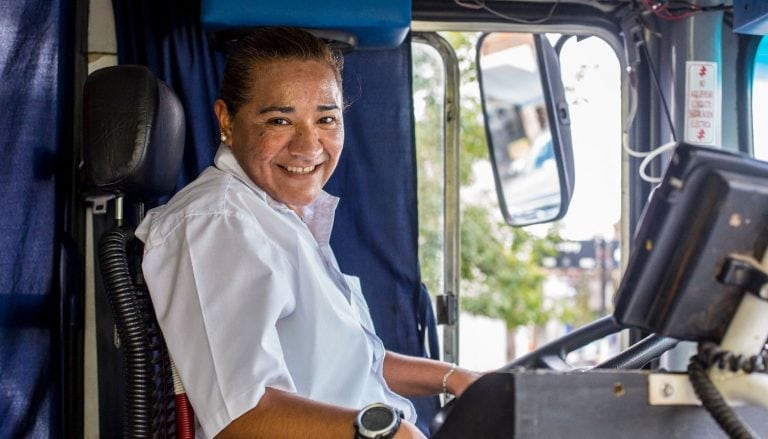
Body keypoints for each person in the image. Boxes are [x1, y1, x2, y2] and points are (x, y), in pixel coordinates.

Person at [135, 27, 480, 439]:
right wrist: (394, 433)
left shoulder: (279, 215)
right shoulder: (216, 222)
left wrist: (457, 378)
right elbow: (241, 417)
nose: (308, 146)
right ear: (227, 121)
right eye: (279, 120)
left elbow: (348, 361)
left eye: (326, 119)